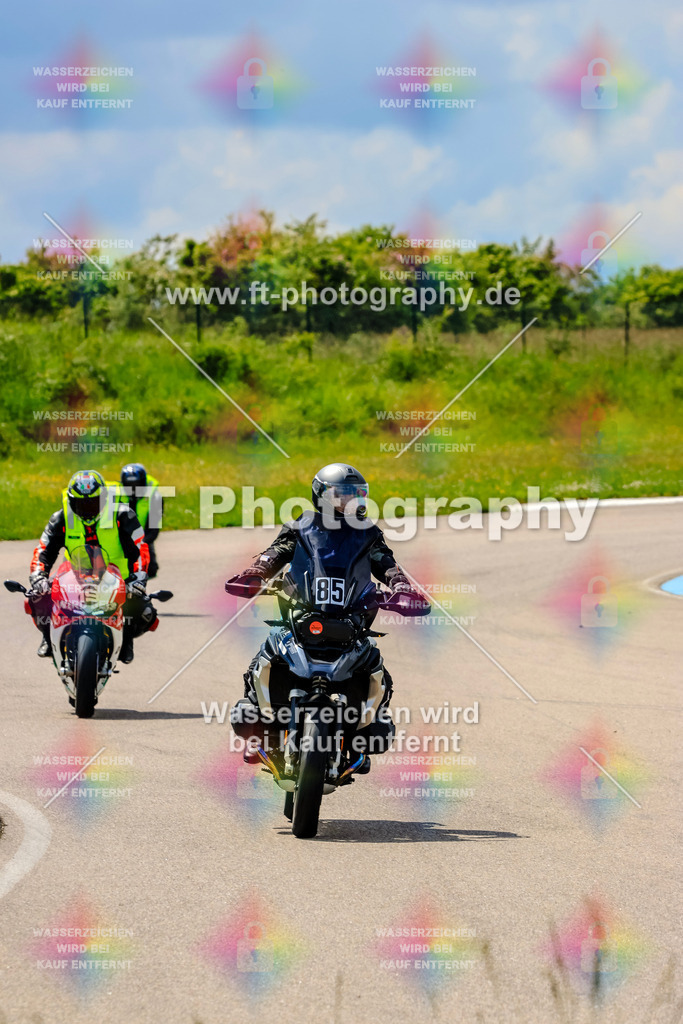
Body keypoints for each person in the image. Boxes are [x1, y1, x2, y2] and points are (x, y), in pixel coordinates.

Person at [227, 463, 427, 770]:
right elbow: (277, 551)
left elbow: (386, 563)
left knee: (377, 669)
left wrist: (402, 587)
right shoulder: (301, 525)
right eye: (341, 496)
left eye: (356, 496)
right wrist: (256, 572)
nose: (349, 503)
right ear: (321, 495)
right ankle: (259, 731)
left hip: (351, 619)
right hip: (302, 613)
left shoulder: (367, 533)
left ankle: (361, 732)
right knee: (264, 657)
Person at [29, 470, 155, 664]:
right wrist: (38, 575)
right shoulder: (61, 518)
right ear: (71, 502)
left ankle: (126, 640)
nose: (87, 509)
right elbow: (44, 549)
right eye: (81, 504)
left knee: (144, 610)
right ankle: (47, 636)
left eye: (93, 503)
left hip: (117, 576)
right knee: (36, 598)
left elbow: (139, 549)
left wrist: (138, 578)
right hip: (73, 575)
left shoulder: (122, 516)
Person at [117, 463, 163, 578]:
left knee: (150, 570)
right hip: (119, 539)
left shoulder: (155, 497)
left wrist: (140, 545)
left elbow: (153, 529)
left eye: (136, 485)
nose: (133, 489)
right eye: (129, 486)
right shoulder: (116, 496)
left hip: (143, 539)